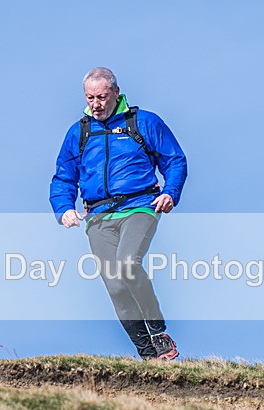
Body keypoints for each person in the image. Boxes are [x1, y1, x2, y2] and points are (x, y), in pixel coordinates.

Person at [49, 67, 188, 360]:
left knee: (127, 263)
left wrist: (170, 192)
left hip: (139, 206)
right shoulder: (80, 132)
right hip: (97, 215)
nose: (96, 104)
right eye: (90, 97)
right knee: (114, 283)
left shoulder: (143, 122)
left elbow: (174, 159)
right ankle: (147, 353)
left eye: (101, 97)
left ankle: (157, 330)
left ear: (115, 92)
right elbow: (64, 176)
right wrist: (63, 209)